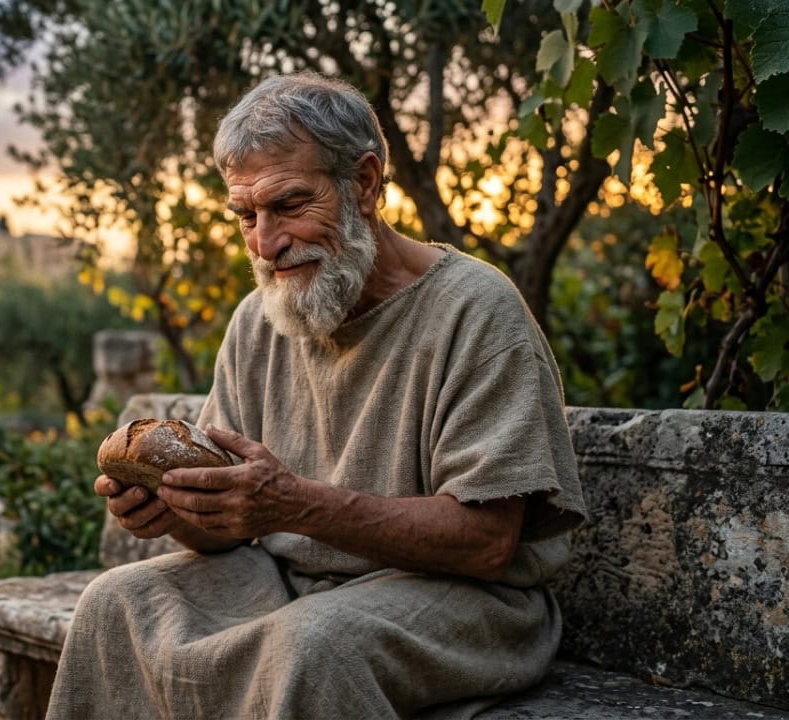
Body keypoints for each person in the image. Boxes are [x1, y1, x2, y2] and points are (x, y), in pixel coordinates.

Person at [46, 72, 587, 720]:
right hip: (292, 584)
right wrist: (177, 511)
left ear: (363, 183)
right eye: (246, 215)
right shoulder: (260, 318)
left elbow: (487, 542)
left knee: (313, 645)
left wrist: (295, 506)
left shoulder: (475, 309)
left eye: (289, 205)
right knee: (116, 604)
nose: (265, 243)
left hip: (464, 601)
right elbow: (231, 526)